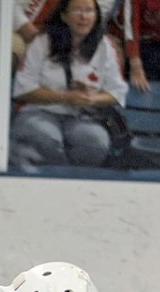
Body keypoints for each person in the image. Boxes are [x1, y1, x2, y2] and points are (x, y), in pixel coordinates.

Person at [10, 0, 129, 172]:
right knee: (44, 137)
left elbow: (117, 93)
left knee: (95, 141)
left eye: (89, 11)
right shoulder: (41, 42)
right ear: (64, 16)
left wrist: (90, 98)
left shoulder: (105, 47)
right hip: (39, 112)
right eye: (77, 10)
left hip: (82, 117)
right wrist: (65, 97)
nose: (83, 16)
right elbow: (24, 89)